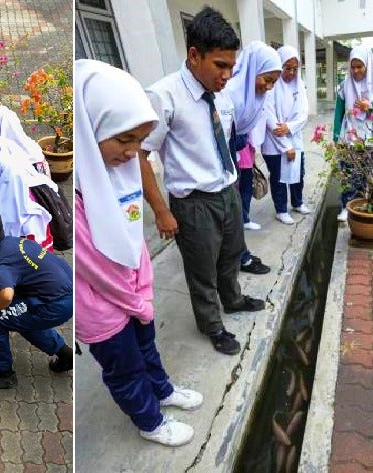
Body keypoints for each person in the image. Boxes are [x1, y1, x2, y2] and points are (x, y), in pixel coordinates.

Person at [75, 59, 203, 447]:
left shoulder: (123, 171)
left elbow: (133, 238)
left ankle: (161, 390)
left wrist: (143, 291)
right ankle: (149, 420)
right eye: (124, 139)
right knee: (124, 367)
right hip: (102, 306)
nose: (132, 153)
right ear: (91, 125)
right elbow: (94, 266)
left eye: (139, 142)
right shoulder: (80, 191)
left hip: (133, 294)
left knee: (146, 348)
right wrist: (135, 299)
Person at [139, 6, 265, 356]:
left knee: (231, 255)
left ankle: (234, 299)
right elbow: (140, 154)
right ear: (194, 55)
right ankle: (212, 325)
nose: (227, 74)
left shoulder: (220, 92)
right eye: (220, 65)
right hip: (193, 203)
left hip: (227, 191)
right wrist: (162, 211)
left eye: (231, 66)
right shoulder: (163, 96)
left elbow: (223, 138)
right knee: (202, 271)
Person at [0, 207, 72, 390]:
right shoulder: (11, 242)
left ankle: (4, 374)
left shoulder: (0, 263)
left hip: (56, 303)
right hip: (64, 288)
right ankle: (65, 354)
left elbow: (5, 295)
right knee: (20, 317)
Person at [221, 40, 279, 274]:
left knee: (234, 213)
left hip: (236, 155)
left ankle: (240, 255)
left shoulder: (254, 94)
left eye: (273, 82)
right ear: (253, 69)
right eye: (267, 79)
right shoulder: (230, 92)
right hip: (222, 160)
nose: (269, 87)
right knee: (231, 213)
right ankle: (238, 258)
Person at [261, 45, 311, 224]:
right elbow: (269, 117)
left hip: (294, 136)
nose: (291, 72)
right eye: (287, 68)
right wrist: (285, 145)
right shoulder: (271, 86)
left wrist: (289, 127)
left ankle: (297, 202)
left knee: (298, 173)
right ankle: (281, 209)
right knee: (278, 177)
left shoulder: (299, 85)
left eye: (295, 69)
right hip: (274, 142)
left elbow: (304, 113)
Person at [333, 46, 373, 222]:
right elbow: (339, 111)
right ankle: (346, 207)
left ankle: (362, 205)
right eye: (353, 66)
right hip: (348, 134)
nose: (356, 71)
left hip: (369, 137)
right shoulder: (345, 85)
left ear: (367, 66)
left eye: (360, 67)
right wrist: (336, 137)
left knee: (365, 175)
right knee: (348, 173)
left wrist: (369, 107)